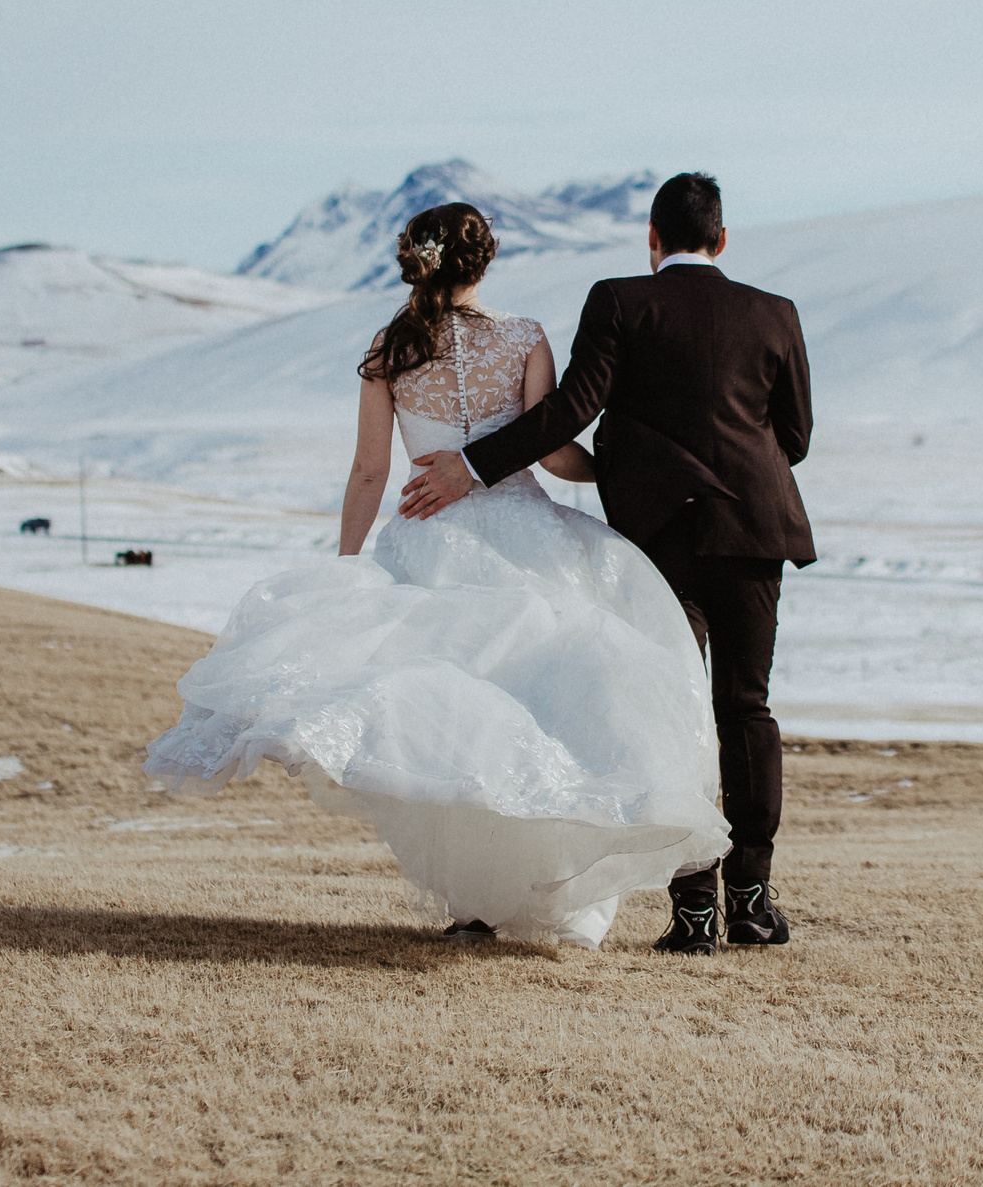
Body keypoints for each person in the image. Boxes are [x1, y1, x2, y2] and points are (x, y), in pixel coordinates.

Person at [143, 201, 728, 949]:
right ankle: (538, 890)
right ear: (484, 262)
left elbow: (367, 471)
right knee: (543, 705)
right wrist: (625, 468)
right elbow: (551, 453)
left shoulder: (392, 346)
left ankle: (478, 903)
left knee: (452, 721)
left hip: (430, 541)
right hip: (527, 534)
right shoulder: (523, 337)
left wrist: (348, 572)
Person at [399, 172, 814, 954]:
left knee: (679, 712)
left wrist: (471, 466)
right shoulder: (775, 312)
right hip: (756, 530)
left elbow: (569, 410)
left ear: (651, 241)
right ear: (721, 240)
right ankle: (752, 900)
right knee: (746, 706)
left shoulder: (621, 299)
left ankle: (693, 912)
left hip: (661, 538)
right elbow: (796, 436)